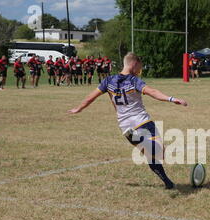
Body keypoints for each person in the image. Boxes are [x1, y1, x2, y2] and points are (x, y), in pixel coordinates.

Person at [68, 52, 188, 189]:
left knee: (150, 154)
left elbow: (91, 97)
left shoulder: (108, 81)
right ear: (133, 64)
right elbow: (152, 92)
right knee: (161, 153)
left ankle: (168, 183)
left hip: (125, 126)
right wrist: (172, 99)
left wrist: (79, 109)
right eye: (139, 67)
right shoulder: (133, 80)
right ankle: (147, 145)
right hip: (142, 121)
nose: (139, 70)